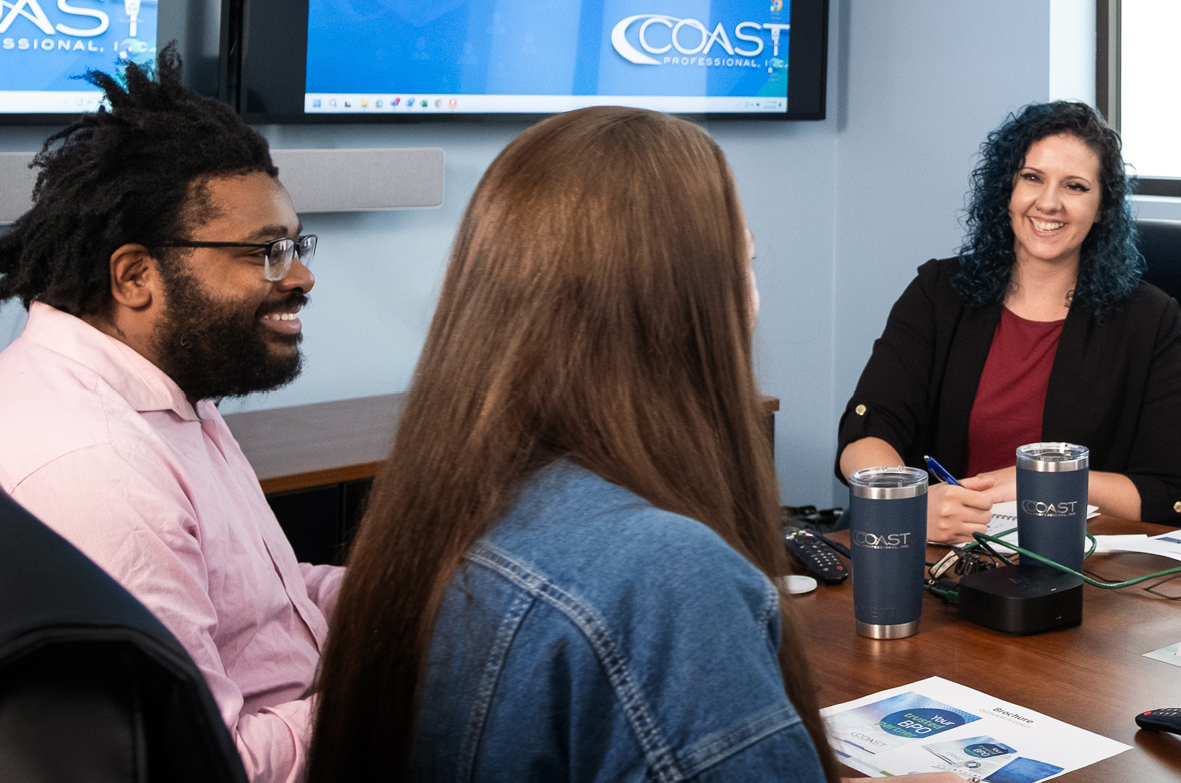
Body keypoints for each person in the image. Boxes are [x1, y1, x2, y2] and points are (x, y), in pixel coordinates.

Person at [307, 107, 960, 783]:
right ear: (689, 305)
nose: (755, 301)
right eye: (745, 266)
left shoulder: (433, 516)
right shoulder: (666, 580)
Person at [0, 47, 337, 783]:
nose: (302, 276)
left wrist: (407, 596)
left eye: (295, 246)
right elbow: (217, 764)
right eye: (266, 253)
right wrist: (387, 684)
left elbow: (259, 598)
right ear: (135, 275)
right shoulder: (97, 469)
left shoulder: (167, 385)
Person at [837, 101, 1181, 544]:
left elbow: (1167, 494)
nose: (1049, 203)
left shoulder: (1147, 319)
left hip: (1071, 564)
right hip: (940, 551)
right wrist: (906, 504)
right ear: (1006, 188)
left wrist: (1042, 483)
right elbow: (866, 433)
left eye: (1075, 186)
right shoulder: (939, 292)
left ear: (1103, 207)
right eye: (1032, 178)